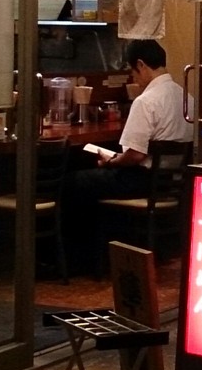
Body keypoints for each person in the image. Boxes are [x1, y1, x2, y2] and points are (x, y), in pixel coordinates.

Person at [64, 38, 191, 269]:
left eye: (133, 71)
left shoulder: (146, 101)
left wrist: (111, 161)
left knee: (74, 182)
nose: (134, 78)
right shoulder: (186, 98)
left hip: (142, 180)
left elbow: (135, 156)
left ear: (141, 65)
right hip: (173, 182)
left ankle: (82, 259)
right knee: (86, 181)